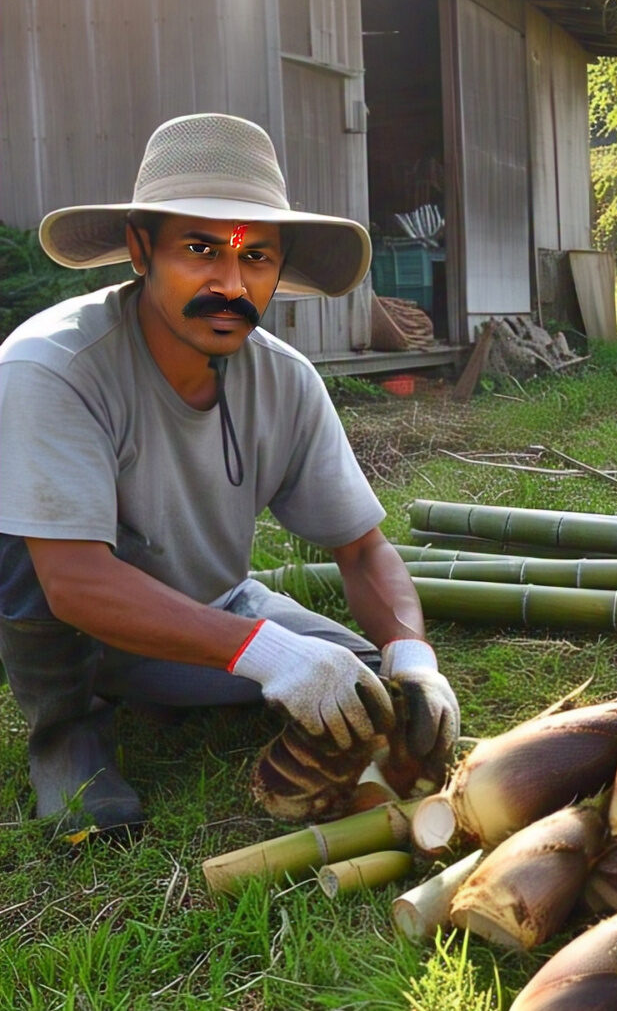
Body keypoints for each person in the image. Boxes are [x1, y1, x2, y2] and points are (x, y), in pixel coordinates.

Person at [0, 112, 459, 833]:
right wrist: (267, 653)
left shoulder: (286, 381)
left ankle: (180, 687)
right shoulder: (53, 366)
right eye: (200, 249)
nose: (230, 282)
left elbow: (364, 549)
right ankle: (69, 741)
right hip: (79, 632)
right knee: (25, 532)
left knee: (370, 685)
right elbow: (73, 581)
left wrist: (412, 652)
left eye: (256, 258)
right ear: (139, 249)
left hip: (213, 611)